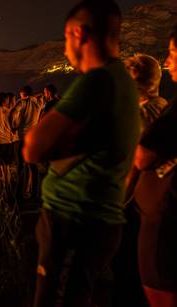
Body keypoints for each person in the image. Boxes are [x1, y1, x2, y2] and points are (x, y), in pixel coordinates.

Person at [23, 1, 140, 306]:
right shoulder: (122, 80)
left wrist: (52, 140)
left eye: (64, 39)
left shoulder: (95, 82)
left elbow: (33, 147)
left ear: (78, 33)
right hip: (95, 220)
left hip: (74, 220)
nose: (64, 50)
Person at [113, 53, 169, 307]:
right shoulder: (163, 106)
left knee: (128, 279)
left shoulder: (142, 115)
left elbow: (134, 167)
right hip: (154, 208)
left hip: (135, 211)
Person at [133, 24, 177, 307]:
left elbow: (142, 157)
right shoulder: (164, 104)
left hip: (165, 231)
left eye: (173, 52)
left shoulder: (146, 112)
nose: (168, 60)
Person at [14, 85, 41, 199]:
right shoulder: (37, 103)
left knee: (21, 166)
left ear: (23, 94)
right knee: (33, 167)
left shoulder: (22, 102)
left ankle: (19, 192)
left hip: (23, 136)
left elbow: (14, 112)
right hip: (33, 136)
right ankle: (34, 192)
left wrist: (13, 125)